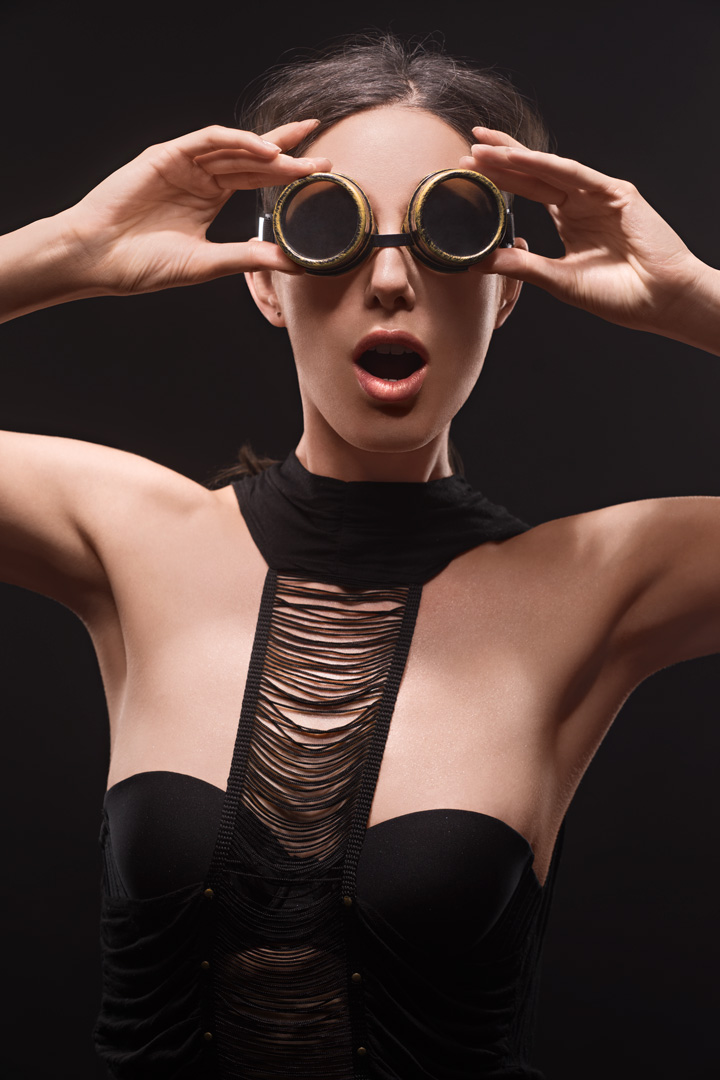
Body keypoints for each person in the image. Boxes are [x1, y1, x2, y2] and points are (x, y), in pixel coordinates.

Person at [1, 31, 719, 1080]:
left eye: (452, 229)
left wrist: (694, 296)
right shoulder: (128, 536)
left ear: (507, 285)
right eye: (330, 224)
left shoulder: (599, 584)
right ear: (265, 279)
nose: (390, 278)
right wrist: (67, 251)